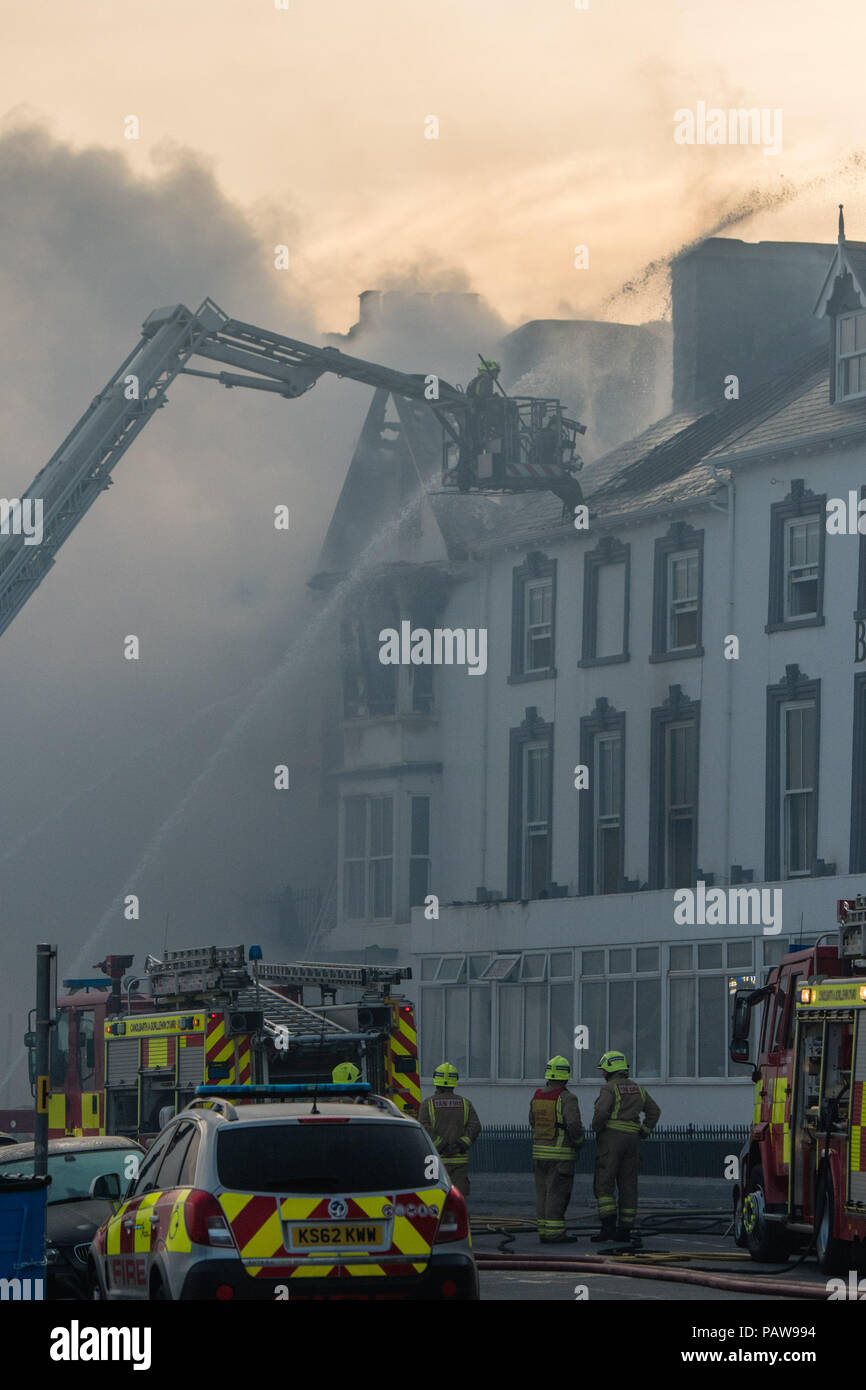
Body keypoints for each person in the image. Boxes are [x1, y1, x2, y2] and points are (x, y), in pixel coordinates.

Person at [592, 1050, 661, 1245]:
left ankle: (607, 1228)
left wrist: (595, 1127)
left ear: (609, 1070)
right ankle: (625, 1230)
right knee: (628, 1185)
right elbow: (654, 1112)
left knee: (604, 1183)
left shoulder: (609, 1089)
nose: (602, 1074)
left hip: (611, 1141)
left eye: (603, 1070)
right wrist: (643, 1131)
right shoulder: (638, 1089)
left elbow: (602, 1112)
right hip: (632, 1142)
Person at [529, 1055, 584, 1244]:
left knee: (542, 1193)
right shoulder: (568, 1098)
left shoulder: (537, 1096)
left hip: (539, 1154)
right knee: (557, 1194)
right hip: (561, 1155)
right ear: (566, 1076)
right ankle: (555, 1234)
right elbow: (574, 1125)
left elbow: (532, 1121)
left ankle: (544, 1230)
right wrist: (579, 1141)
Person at [418, 1062, 481, 1199]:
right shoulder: (465, 1103)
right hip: (459, 1162)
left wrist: (442, 1146)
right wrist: (460, 1145)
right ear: (454, 1081)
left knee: (435, 1201)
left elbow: (423, 1127)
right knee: (457, 1202)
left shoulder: (428, 1104)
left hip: (434, 1162)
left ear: (436, 1081)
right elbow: (475, 1126)